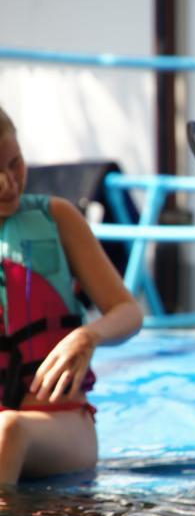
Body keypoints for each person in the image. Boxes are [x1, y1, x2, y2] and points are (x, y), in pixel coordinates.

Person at [0, 106, 143, 485]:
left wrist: (88, 335)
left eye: (15, 164)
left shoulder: (57, 218)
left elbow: (128, 311)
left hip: (58, 421)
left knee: (7, 432)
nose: (9, 183)